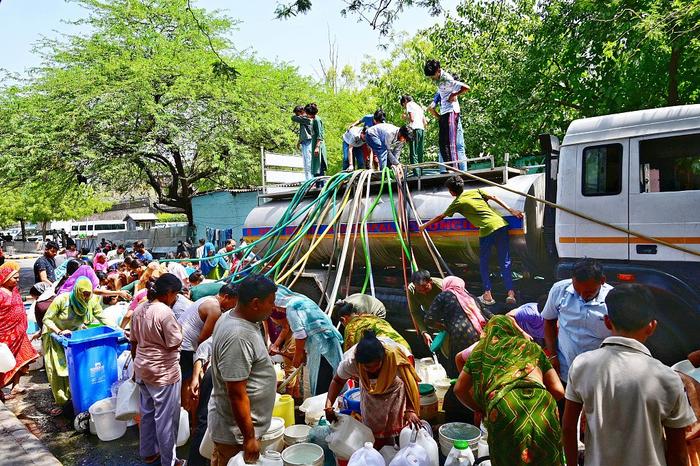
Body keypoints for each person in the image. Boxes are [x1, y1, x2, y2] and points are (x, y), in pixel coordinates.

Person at [562, 284, 696, 466]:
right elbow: (678, 453)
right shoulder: (668, 378)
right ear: (652, 327)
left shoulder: (582, 365)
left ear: (608, 322)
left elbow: (569, 428)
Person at [454, 315, 565, 466]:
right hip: (543, 403)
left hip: (504, 404)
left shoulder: (481, 350)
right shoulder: (531, 348)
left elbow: (459, 389)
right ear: (514, 329)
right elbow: (559, 391)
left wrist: (480, 408)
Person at [419, 176, 523, 305]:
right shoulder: (476, 191)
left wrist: (424, 226)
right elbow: (495, 198)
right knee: (505, 261)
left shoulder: (458, 202)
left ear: (451, 192)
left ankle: (488, 294)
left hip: (487, 230)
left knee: (484, 264)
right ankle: (511, 294)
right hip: (502, 225)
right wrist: (512, 210)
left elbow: (441, 216)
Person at [208, 274, 278, 465]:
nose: (274, 307)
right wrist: (249, 438)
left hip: (238, 431)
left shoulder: (234, 318)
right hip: (237, 436)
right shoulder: (238, 336)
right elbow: (236, 393)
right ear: (255, 303)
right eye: (271, 302)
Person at [325, 331, 422, 448]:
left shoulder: (395, 359)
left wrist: (410, 409)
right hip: (369, 392)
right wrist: (329, 405)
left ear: (383, 358)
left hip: (394, 388)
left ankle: (397, 443)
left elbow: (410, 383)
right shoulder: (351, 362)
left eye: (377, 365)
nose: (373, 369)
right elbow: (337, 381)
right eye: (367, 367)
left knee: (398, 422)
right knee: (371, 427)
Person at [130, 273, 186, 466]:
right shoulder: (164, 312)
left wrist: (136, 367)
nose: (176, 298)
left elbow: (133, 342)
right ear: (169, 293)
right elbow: (173, 343)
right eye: (176, 294)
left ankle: (148, 452)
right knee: (166, 420)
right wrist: (181, 330)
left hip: (143, 368)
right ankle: (169, 461)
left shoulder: (139, 309)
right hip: (163, 372)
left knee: (147, 413)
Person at [42, 277, 109, 414]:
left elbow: (103, 318)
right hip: (55, 336)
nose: (85, 297)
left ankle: (75, 399)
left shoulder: (90, 301)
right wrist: (59, 331)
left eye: (88, 293)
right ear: (77, 290)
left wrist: (119, 330)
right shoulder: (63, 300)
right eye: (83, 293)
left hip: (74, 339)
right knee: (58, 372)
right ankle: (62, 403)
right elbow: (46, 319)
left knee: (74, 371)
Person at [541, 258, 614, 383]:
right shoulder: (559, 290)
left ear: (602, 281)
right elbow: (549, 321)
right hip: (566, 369)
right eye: (577, 291)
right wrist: (553, 356)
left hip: (599, 374)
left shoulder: (613, 299)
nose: (581, 296)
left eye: (588, 292)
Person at [425, 276, 491, 376]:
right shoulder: (472, 297)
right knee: (477, 368)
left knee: (458, 370)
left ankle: (458, 389)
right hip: (480, 336)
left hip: (459, 337)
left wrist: (442, 326)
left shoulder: (443, 295)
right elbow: (489, 315)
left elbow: (429, 319)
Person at [177, 284, 237, 383]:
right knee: (188, 382)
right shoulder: (215, 309)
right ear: (226, 297)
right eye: (234, 303)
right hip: (186, 348)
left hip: (180, 342)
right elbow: (203, 340)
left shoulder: (208, 299)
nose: (233, 306)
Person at [286, 295, 344, 395]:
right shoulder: (314, 314)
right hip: (326, 347)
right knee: (328, 380)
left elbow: (301, 335)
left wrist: (298, 356)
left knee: (323, 384)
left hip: (322, 350)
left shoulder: (292, 309)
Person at [0, 262, 39, 401]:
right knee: (4, 361)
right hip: (5, 335)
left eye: (18, 277)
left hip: (19, 333)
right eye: (14, 278)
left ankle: (15, 385)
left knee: (19, 359)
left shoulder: (15, 290)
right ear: (5, 277)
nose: (17, 280)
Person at [423, 59, 470, 171]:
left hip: (451, 112)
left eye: (433, 76)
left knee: (454, 143)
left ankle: (457, 170)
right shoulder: (439, 82)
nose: (432, 79)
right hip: (444, 113)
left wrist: (454, 94)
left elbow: (466, 87)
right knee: (443, 143)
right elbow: (431, 107)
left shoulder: (448, 79)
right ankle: (448, 168)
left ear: (438, 71)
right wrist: (440, 118)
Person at [337, 303, 410, 353]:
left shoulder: (351, 327)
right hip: (405, 348)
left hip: (390, 353)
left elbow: (349, 355)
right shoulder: (374, 317)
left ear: (344, 319)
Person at [406, 270, 444, 350]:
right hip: (434, 321)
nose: (423, 293)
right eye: (419, 291)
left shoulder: (442, 286)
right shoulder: (412, 289)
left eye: (426, 289)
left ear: (430, 281)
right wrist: (424, 332)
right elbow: (415, 312)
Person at [400, 95, 427, 175]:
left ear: (405, 101)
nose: (405, 107)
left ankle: (416, 173)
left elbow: (412, 119)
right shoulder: (419, 107)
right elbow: (425, 122)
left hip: (414, 129)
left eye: (403, 105)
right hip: (421, 129)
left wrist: (405, 117)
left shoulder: (409, 104)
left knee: (413, 152)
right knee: (420, 151)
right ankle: (420, 172)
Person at [292, 105, 314, 180]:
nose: (296, 115)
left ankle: (310, 180)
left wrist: (303, 114)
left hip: (308, 141)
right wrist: (299, 141)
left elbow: (293, 118)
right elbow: (304, 132)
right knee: (305, 163)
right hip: (305, 141)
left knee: (308, 162)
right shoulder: (303, 118)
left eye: (297, 113)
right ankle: (308, 180)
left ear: (301, 112)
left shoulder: (306, 118)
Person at [306, 103, 327, 178]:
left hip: (318, 144)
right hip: (314, 143)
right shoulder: (313, 119)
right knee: (315, 164)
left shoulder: (317, 120)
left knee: (319, 164)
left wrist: (317, 147)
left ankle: (321, 184)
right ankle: (317, 182)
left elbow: (320, 134)